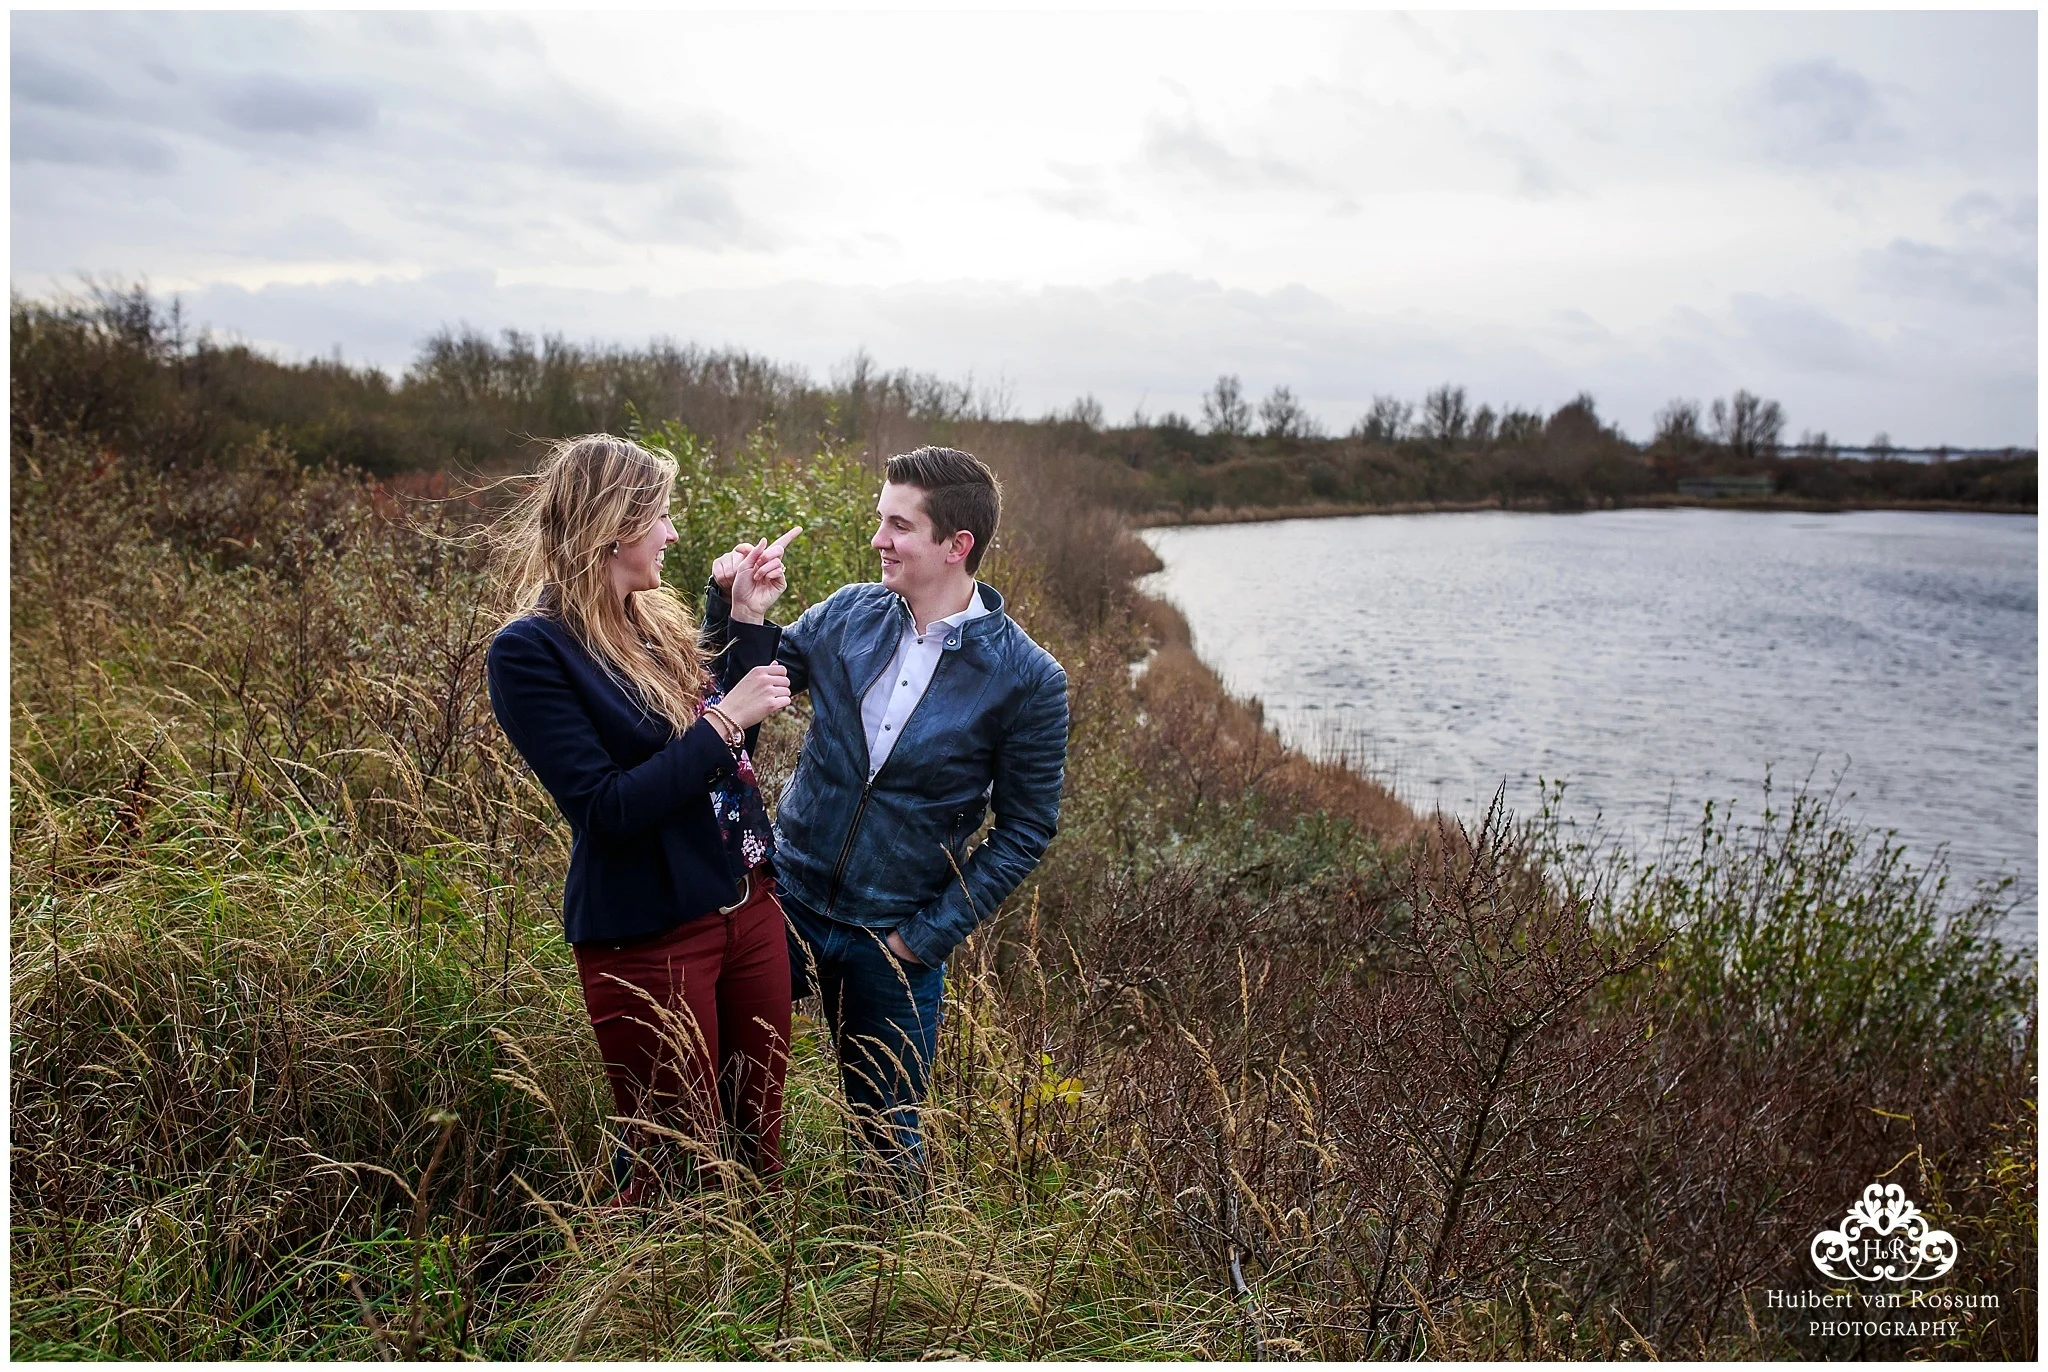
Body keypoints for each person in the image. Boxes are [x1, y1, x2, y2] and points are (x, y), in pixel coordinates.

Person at [705, 445, 1069, 1198]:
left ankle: (892, 1293)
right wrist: (738, 607)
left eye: (898, 526)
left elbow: (1027, 829)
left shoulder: (1028, 679)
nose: (878, 540)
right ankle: (724, 1250)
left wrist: (921, 939)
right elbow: (738, 700)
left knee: (888, 1150)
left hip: (893, 941)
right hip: (789, 907)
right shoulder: (845, 614)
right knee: (726, 1090)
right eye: (881, 520)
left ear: (955, 545)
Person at [485, 433, 798, 1204]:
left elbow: (716, 757)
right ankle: (645, 1310)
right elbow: (607, 808)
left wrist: (745, 618)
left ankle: (758, 1301)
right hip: (651, 930)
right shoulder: (532, 651)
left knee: (755, 1140)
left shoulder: (647, 619)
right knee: (673, 1160)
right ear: (613, 525)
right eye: (660, 515)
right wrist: (725, 720)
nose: (672, 533)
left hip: (747, 905)